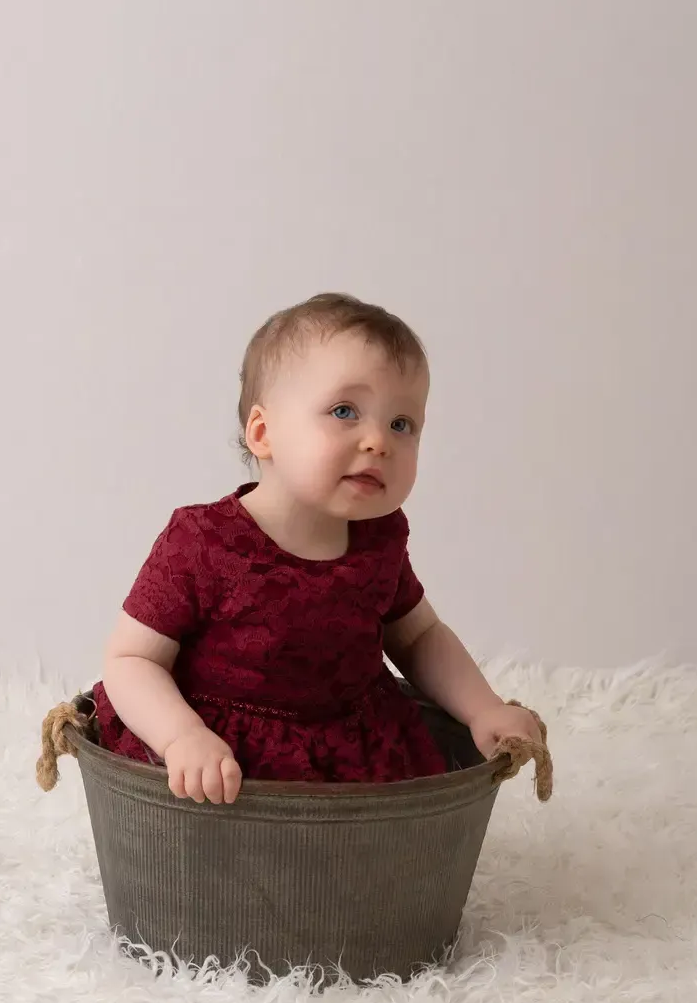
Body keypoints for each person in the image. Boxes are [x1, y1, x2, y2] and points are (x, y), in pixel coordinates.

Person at [93, 292, 542, 803]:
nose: (379, 441)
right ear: (263, 433)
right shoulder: (204, 542)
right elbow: (132, 659)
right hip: (223, 757)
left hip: (351, 753)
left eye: (402, 424)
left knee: (351, 872)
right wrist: (180, 736)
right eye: (344, 410)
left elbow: (419, 638)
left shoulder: (380, 538)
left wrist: (483, 707)